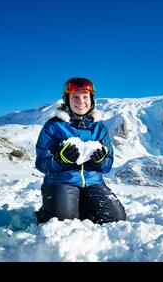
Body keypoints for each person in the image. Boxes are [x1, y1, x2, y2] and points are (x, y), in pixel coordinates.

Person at [35, 77, 126, 224]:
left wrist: (100, 161)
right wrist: (60, 160)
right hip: (62, 181)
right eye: (75, 97)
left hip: (93, 182)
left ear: (92, 99)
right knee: (62, 221)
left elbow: (107, 165)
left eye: (85, 96)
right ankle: (51, 208)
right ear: (67, 100)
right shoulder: (54, 126)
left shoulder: (99, 128)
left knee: (116, 218)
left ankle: (77, 205)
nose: (81, 101)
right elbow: (41, 163)